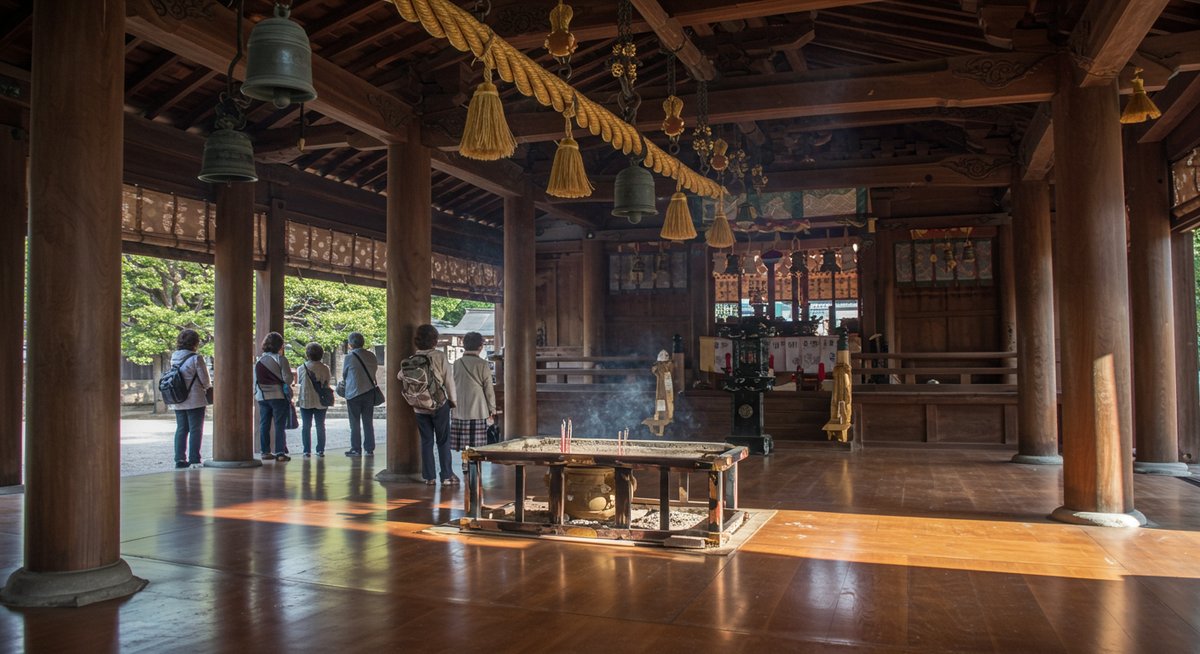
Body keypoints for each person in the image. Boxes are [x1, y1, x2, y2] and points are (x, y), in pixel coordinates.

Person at [411, 324, 457, 485]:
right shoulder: (439, 356)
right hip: (439, 403)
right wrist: (453, 400)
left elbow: (400, 375)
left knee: (426, 441)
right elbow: (448, 380)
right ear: (434, 341)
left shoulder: (412, 358)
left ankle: (429, 477)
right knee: (443, 440)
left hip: (419, 405)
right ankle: (446, 475)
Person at [450, 331, 495, 476]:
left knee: (464, 443)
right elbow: (488, 388)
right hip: (478, 407)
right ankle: (475, 465)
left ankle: (465, 462)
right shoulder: (483, 364)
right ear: (480, 347)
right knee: (476, 442)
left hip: (459, 407)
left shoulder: (457, 363)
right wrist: (492, 408)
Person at [168, 329, 210, 469]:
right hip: (195, 398)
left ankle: (179, 459)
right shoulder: (196, 358)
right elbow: (205, 380)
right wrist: (207, 387)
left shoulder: (174, 357)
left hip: (178, 398)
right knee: (196, 429)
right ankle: (194, 459)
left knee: (181, 428)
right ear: (195, 342)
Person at [254, 331, 292, 462]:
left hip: (262, 396)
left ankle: (265, 451)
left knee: (264, 424)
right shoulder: (281, 360)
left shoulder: (259, 361)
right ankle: (280, 452)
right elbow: (288, 379)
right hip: (278, 395)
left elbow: (255, 381)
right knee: (279, 425)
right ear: (280, 345)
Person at [342, 331, 379, 457]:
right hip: (369, 391)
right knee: (368, 422)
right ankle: (369, 448)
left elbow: (344, 374)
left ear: (351, 344)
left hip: (354, 392)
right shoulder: (371, 356)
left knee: (354, 423)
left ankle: (356, 448)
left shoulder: (349, 357)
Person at [297, 342, 332, 458]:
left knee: (306, 426)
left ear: (307, 354)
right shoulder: (325, 368)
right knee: (320, 425)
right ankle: (320, 449)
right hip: (321, 400)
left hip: (306, 399)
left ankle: (306, 450)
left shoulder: (301, 368)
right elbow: (327, 382)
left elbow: (300, 382)